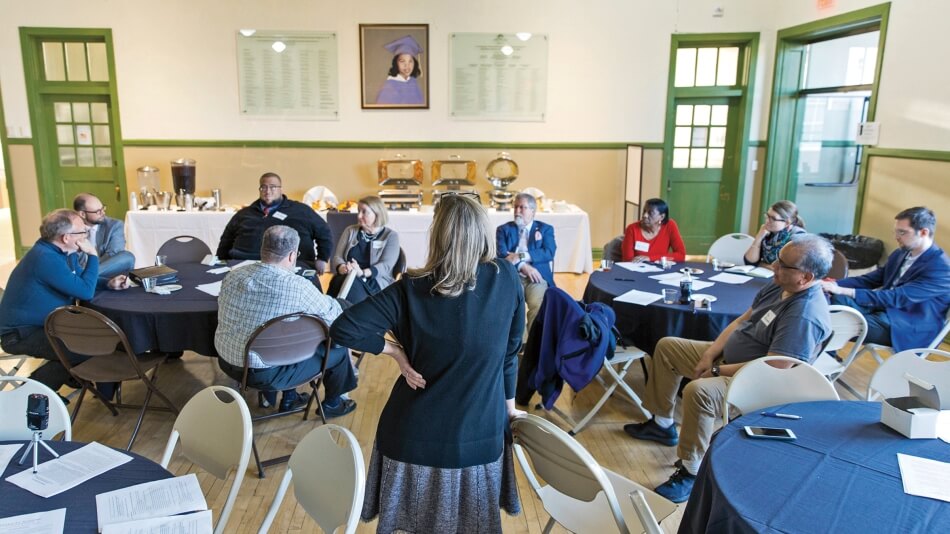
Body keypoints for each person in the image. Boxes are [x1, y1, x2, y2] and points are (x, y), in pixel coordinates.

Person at [330, 195, 524, 533]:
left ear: (437, 236)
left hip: (411, 438)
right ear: (483, 234)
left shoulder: (410, 288)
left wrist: (394, 353)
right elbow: (510, 354)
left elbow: (343, 328)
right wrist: (509, 409)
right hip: (478, 438)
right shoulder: (507, 277)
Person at [623, 234, 834, 503]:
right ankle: (662, 424)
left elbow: (773, 366)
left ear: (805, 277)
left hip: (758, 381)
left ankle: (692, 470)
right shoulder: (780, 285)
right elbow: (742, 321)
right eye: (778, 260)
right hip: (729, 360)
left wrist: (715, 372)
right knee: (667, 347)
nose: (774, 267)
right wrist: (710, 355)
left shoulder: (804, 314)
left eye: (783, 265)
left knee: (699, 392)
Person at [215, 225, 357, 416]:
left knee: (288, 334)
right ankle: (333, 403)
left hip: (227, 361)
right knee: (337, 350)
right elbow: (333, 315)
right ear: (292, 256)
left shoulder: (233, 276)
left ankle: (290, 398)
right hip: (264, 373)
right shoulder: (296, 286)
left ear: (262, 249)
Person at [0, 209, 130, 391]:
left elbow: (76, 282)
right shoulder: (45, 258)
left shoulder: (63, 252)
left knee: (92, 339)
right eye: (82, 231)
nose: (86, 234)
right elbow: (85, 293)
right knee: (83, 348)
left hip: (47, 325)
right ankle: (29, 396)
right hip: (21, 334)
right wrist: (92, 255)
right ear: (66, 237)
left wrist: (108, 283)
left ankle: (70, 376)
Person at [822, 207, 950, 351]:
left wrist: (841, 289)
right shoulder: (901, 253)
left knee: (841, 321)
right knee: (836, 301)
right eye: (895, 231)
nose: (896, 237)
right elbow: (869, 280)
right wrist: (831, 284)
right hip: (886, 310)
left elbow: (897, 297)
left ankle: (823, 368)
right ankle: (824, 361)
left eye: (902, 232)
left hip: (909, 325)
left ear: (924, 232)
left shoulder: (941, 267)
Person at [216, 172, 333, 273]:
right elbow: (226, 240)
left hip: (294, 265)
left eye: (272, 187)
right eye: (263, 187)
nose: (267, 191)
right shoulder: (244, 214)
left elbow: (325, 233)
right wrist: (221, 262)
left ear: (281, 189)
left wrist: (322, 258)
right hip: (245, 264)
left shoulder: (301, 211)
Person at [496, 192, 556, 331]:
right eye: (515, 207)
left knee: (537, 305)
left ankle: (532, 344)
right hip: (512, 276)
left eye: (522, 207)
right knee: (512, 305)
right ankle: (518, 343)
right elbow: (502, 254)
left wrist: (521, 256)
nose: (517, 211)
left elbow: (549, 252)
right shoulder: (503, 230)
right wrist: (524, 266)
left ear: (533, 211)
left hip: (536, 276)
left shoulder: (545, 229)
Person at [327, 196, 400, 304]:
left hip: (374, 282)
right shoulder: (350, 231)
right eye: (358, 211)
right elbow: (338, 256)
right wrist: (342, 267)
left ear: (377, 214)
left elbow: (386, 266)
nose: (359, 216)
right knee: (338, 282)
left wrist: (362, 273)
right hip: (346, 276)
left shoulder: (390, 236)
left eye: (364, 212)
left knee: (351, 287)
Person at [73, 193, 135, 280]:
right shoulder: (72, 228)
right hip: (80, 267)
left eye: (103, 208)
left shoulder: (115, 225)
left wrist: (91, 267)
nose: (103, 213)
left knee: (127, 257)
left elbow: (113, 253)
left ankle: (84, 278)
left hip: (104, 267)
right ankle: (88, 278)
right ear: (82, 214)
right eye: (98, 211)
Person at [621, 198, 686, 262]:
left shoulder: (670, 225)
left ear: (662, 217)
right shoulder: (632, 229)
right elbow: (627, 260)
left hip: (661, 269)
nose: (645, 215)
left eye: (650, 213)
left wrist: (650, 258)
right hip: (636, 269)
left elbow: (681, 255)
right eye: (644, 211)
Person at [744, 200, 806, 267]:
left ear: (787, 223)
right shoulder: (769, 232)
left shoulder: (798, 236)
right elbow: (750, 262)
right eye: (767, 216)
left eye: (773, 218)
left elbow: (788, 268)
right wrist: (758, 237)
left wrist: (762, 264)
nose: (767, 221)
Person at [374, 35, 424, 105]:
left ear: (415, 63)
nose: (407, 65)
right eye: (402, 61)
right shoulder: (389, 87)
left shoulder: (414, 83)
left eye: (410, 61)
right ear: (395, 63)